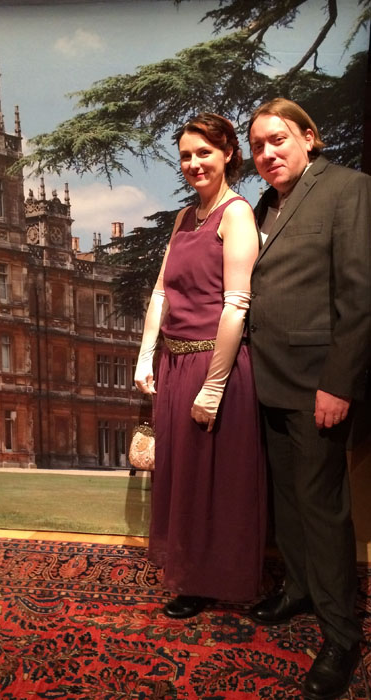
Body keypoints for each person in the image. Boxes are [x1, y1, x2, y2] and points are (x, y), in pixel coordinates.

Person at [247, 97, 371, 700]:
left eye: (277, 140)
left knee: (323, 509)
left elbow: (360, 294)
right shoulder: (264, 205)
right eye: (257, 146)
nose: (267, 153)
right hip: (267, 380)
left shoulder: (349, 189)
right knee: (289, 501)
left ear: (309, 137)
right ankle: (298, 590)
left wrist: (339, 382)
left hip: (318, 383)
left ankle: (342, 635)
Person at [135, 113, 266, 619]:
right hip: (174, 365)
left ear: (229, 153)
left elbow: (237, 304)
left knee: (216, 480)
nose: (194, 164)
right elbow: (162, 291)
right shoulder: (183, 218)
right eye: (186, 156)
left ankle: (214, 580)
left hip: (219, 368)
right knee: (183, 477)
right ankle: (188, 574)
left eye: (204, 153)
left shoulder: (237, 215)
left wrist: (213, 388)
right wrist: (147, 356)